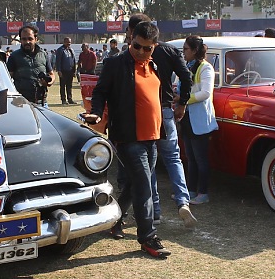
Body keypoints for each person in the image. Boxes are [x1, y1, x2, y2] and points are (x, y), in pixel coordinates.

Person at [83, 21, 173, 258]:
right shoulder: (115, 63)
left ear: (155, 46)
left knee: (135, 185)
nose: (141, 52)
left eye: (147, 48)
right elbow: (100, 91)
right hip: (127, 137)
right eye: (137, 46)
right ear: (131, 39)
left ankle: (115, 219)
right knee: (144, 185)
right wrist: (96, 111)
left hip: (152, 136)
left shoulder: (154, 64)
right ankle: (148, 238)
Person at [125, 13, 195, 228]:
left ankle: (154, 210)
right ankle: (183, 201)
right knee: (173, 157)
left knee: (150, 163)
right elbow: (186, 76)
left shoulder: (131, 52)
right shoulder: (169, 50)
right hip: (165, 110)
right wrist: (182, 102)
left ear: (134, 32)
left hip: (144, 113)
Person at [180, 36, 218, 205]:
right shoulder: (186, 66)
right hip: (187, 119)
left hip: (200, 120)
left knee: (201, 159)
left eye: (185, 49)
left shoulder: (205, 68)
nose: (183, 53)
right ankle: (191, 190)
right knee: (190, 157)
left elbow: (205, 93)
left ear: (194, 51)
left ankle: (203, 193)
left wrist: (183, 100)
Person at [6, 25, 54, 105]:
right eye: (24, 39)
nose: (27, 42)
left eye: (30, 39)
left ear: (36, 39)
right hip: (21, 103)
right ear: (20, 40)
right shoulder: (14, 56)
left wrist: (49, 82)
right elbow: (7, 79)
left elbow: (51, 74)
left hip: (41, 102)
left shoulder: (44, 55)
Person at [55, 38, 77, 105]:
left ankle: (70, 99)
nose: (69, 44)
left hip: (70, 71)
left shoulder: (71, 50)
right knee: (62, 86)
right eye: (67, 42)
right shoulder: (60, 50)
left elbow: (74, 61)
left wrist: (74, 71)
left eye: (70, 42)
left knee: (69, 86)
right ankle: (63, 100)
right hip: (63, 71)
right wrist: (59, 70)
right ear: (64, 42)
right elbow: (58, 61)